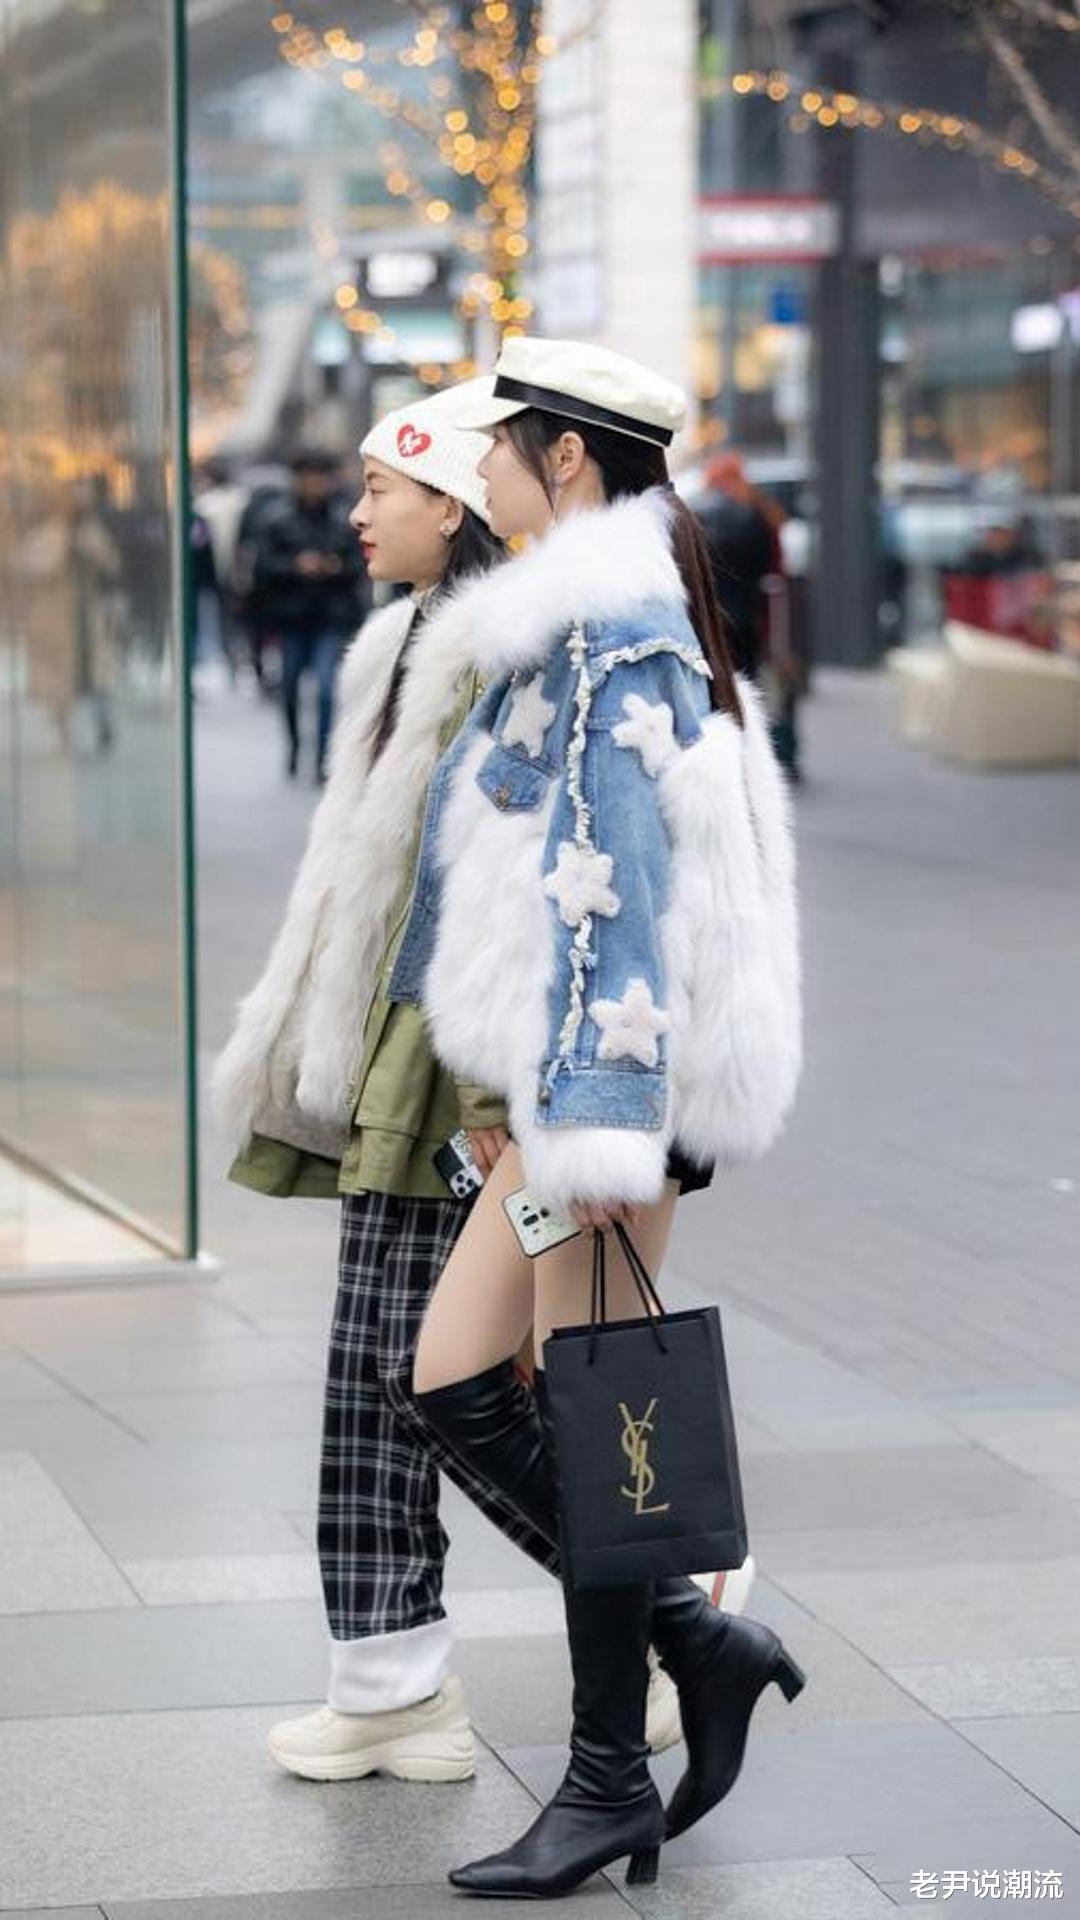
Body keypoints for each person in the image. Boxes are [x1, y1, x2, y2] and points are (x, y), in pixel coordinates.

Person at [296, 336, 804, 1898]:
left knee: (529, 1396)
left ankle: (608, 1771)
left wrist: (583, 1124)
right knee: (471, 1384)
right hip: (572, 1084)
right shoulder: (576, 616)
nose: (485, 468)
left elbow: (615, 896)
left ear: (563, 458)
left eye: (501, 444)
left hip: (610, 1091)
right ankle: (692, 1649)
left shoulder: (608, 626)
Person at [212, 383, 685, 1790]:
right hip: (398, 1055)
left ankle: (673, 1609)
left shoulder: (512, 645)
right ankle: (392, 1675)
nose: (360, 513)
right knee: (385, 1379)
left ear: (458, 503)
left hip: (460, 1070)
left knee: (450, 1375)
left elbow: (515, 889)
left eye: (386, 487)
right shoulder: (405, 641)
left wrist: (491, 1096)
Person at [252, 448, 369, 781]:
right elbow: (263, 568)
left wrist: (334, 567)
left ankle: (320, 758)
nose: (313, 484)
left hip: (330, 618)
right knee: (289, 687)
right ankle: (294, 746)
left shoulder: (344, 519)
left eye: (319, 478)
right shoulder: (278, 520)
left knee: (326, 689)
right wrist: (295, 566)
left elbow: (359, 567)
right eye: (307, 478)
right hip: (292, 618)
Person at [694, 452, 776, 680]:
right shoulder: (755, 513)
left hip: (709, 614)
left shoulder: (697, 514)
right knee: (747, 679)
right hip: (747, 612)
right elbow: (767, 562)